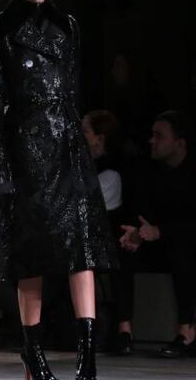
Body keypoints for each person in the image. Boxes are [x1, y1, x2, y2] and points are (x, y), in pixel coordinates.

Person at [0, 0, 117, 379]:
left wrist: (78, 146)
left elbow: (72, 92)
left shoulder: (67, 25)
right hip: (25, 147)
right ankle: (33, 355)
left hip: (67, 149)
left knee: (82, 249)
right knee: (31, 255)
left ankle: (87, 358)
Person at [120, 110, 196, 358]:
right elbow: (141, 211)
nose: (152, 141)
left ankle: (186, 331)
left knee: (181, 250)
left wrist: (160, 231)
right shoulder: (150, 171)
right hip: (157, 241)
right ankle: (124, 331)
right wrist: (136, 233)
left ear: (180, 143)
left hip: (181, 241)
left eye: (159, 136)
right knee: (124, 248)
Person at [82, 110, 135, 354]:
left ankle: (124, 329)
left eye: (85, 131)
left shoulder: (111, 172)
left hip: (110, 238)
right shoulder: (84, 167)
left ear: (99, 139)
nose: (80, 136)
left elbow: (90, 209)